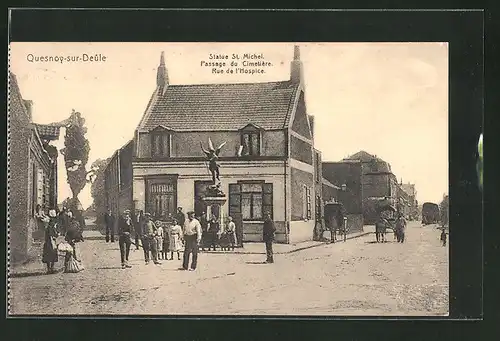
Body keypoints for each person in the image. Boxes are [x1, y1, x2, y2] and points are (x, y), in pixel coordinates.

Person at [42, 209, 59, 274]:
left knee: (48, 255)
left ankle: (49, 269)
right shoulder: (52, 225)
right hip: (51, 241)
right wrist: (56, 235)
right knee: (52, 254)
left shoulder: (49, 224)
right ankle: (51, 269)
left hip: (48, 241)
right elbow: (52, 233)